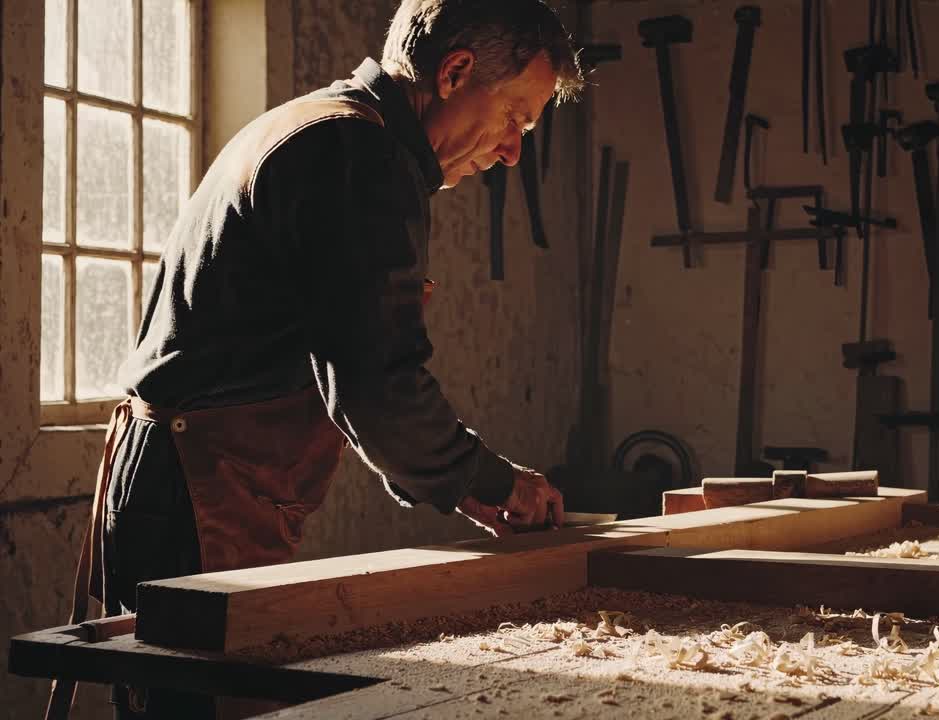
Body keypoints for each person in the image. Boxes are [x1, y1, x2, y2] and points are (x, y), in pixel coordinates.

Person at [60, 1, 584, 716]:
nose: (514, 150)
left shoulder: (323, 126)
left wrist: (466, 484)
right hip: (196, 492)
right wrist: (491, 482)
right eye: (516, 118)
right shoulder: (356, 157)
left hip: (185, 483)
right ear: (455, 71)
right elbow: (374, 381)